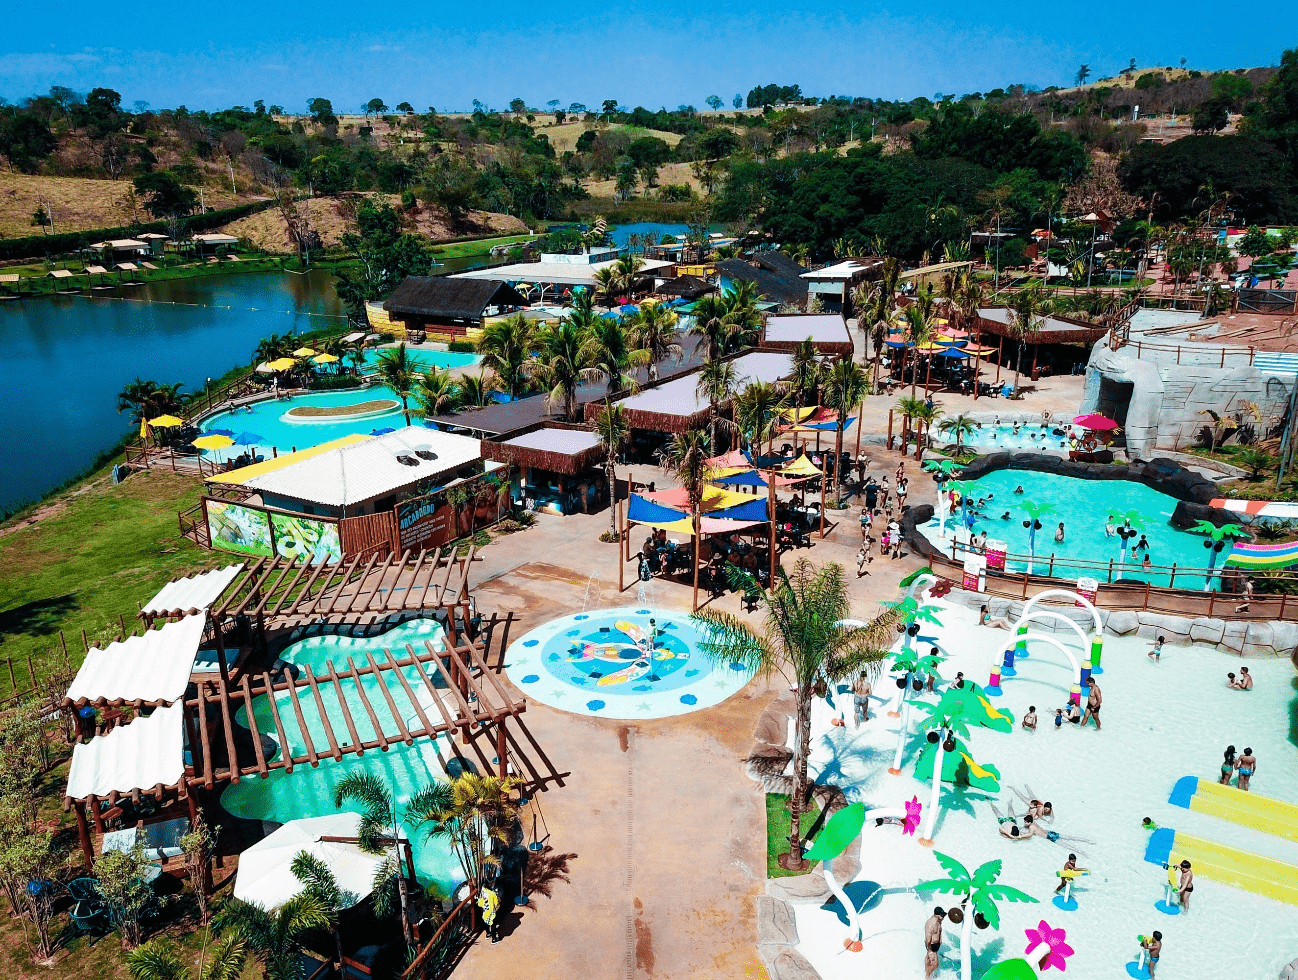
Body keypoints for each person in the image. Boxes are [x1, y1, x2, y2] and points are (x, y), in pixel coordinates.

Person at [924, 906, 945, 980]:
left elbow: (939, 931)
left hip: (935, 945)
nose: (943, 917)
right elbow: (928, 938)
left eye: (944, 915)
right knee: (935, 964)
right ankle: (927, 976)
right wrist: (930, 950)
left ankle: (927, 972)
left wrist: (940, 939)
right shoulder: (931, 923)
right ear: (936, 914)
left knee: (929, 959)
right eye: (942, 915)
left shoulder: (938, 920)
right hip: (931, 945)